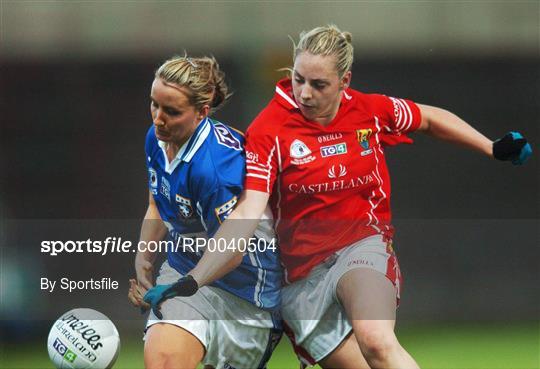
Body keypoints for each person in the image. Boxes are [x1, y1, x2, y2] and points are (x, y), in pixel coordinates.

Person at [144, 26, 532, 369]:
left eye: (318, 84)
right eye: (298, 80)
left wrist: (491, 147)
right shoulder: (269, 130)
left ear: (345, 80)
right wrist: (194, 280)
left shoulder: (370, 111)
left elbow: (428, 118)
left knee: (377, 342)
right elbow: (249, 209)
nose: (305, 93)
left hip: (359, 245)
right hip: (300, 278)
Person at [127, 55, 282, 369]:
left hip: (246, 294)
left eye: (171, 111)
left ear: (202, 113)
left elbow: (232, 250)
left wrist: (183, 285)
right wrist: (144, 258)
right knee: (164, 361)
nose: (158, 118)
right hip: (187, 270)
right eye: (154, 104)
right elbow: (158, 202)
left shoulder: (214, 167)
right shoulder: (157, 139)